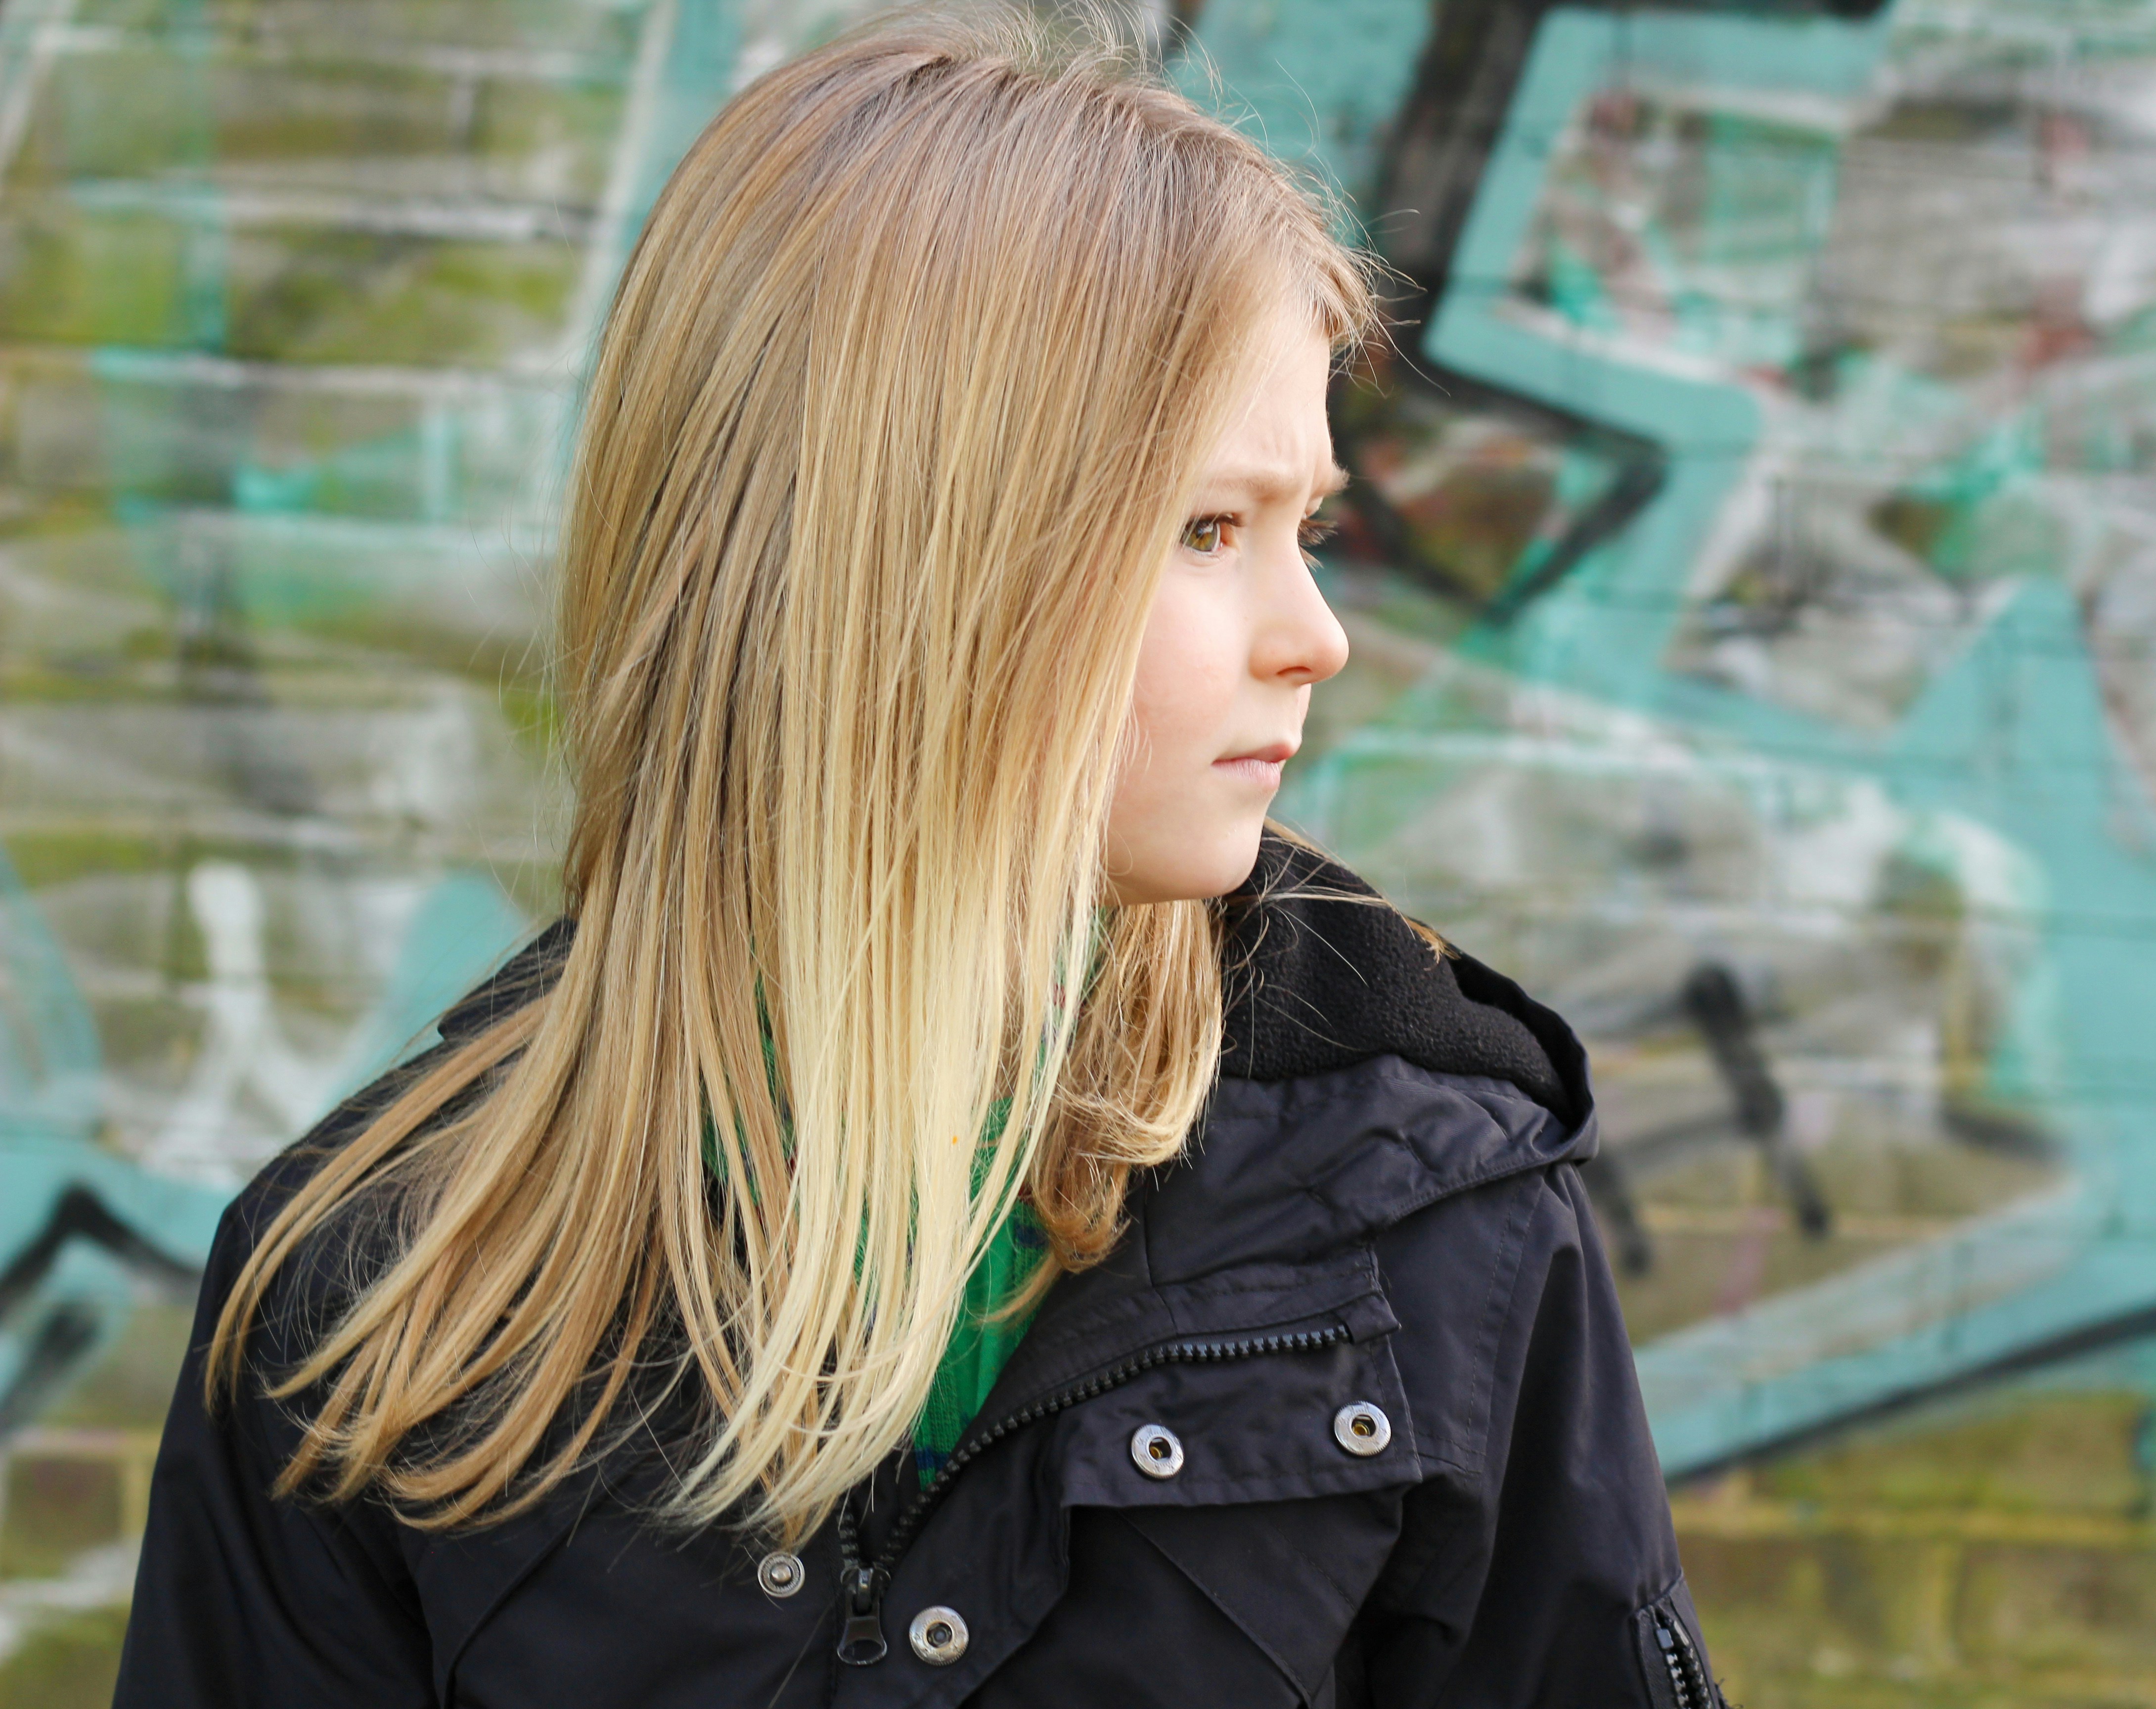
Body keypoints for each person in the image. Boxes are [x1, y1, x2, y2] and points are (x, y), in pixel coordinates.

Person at [114, 10, 1722, 1705]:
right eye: (1203, 529)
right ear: (913, 571)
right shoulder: (377, 1306)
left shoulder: (1431, 1213)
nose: (1312, 634)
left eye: (1301, 529)